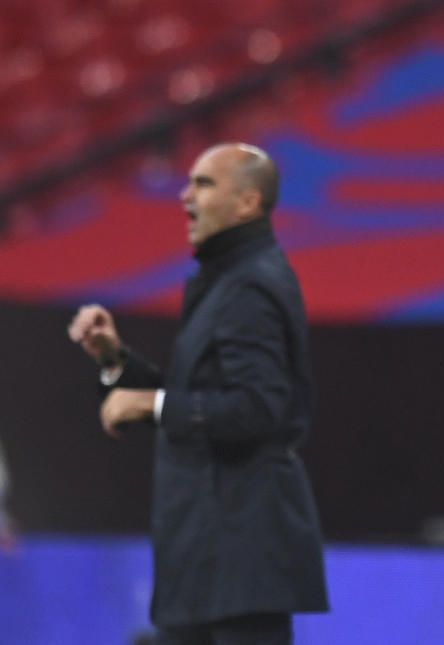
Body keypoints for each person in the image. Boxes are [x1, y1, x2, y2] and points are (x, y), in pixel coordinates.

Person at [68, 143, 327, 644]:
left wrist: (148, 403)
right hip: (209, 564)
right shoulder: (227, 279)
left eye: (203, 183)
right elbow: (201, 400)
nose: (185, 195)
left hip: (240, 561)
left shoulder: (252, 284)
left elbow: (259, 409)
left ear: (247, 203)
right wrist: (114, 358)